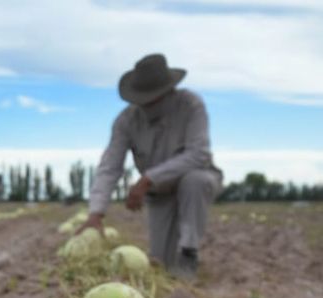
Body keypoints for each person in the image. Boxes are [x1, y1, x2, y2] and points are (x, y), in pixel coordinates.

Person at [78, 53, 223, 279]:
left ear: (168, 92)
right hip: (159, 194)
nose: (147, 105)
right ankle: (173, 257)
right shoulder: (126, 121)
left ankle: (189, 252)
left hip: (194, 179)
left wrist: (148, 179)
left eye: (153, 99)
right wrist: (96, 212)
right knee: (161, 263)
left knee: (195, 181)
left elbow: (198, 154)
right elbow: (110, 166)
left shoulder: (191, 105)